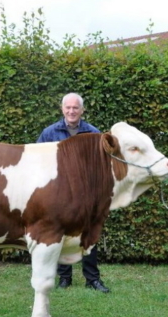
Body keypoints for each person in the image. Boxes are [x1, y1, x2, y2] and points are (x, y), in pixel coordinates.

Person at [36, 92, 110, 293]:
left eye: (75, 108)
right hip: (59, 194)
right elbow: (35, 162)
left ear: (82, 110)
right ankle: (64, 278)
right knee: (61, 235)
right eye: (68, 107)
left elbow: (102, 165)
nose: (71, 111)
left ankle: (92, 279)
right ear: (62, 109)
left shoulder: (94, 134)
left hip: (87, 194)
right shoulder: (49, 133)